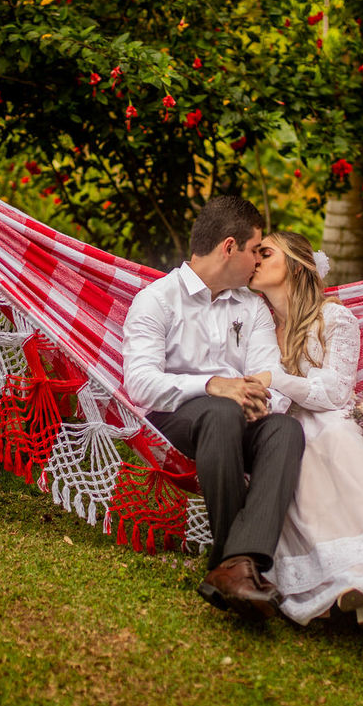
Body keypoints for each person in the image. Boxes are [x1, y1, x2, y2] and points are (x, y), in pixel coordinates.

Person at [122, 195, 304, 622]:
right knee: (219, 412)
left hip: (240, 412)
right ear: (228, 248)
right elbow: (140, 384)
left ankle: (232, 566)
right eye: (255, 250)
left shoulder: (251, 306)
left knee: (285, 430)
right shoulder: (158, 300)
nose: (258, 262)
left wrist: (264, 402)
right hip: (178, 416)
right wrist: (211, 385)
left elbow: (269, 373)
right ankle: (238, 565)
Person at [249, 231, 363, 645]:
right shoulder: (261, 325)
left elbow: (335, 392)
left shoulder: (334, 318)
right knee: (290, 449)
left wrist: (278, 379)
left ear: (294, 265)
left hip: (331, 419)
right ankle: (324, 583)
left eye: (265, 253)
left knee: (337, 442)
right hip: (285, 424)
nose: (254, 260)